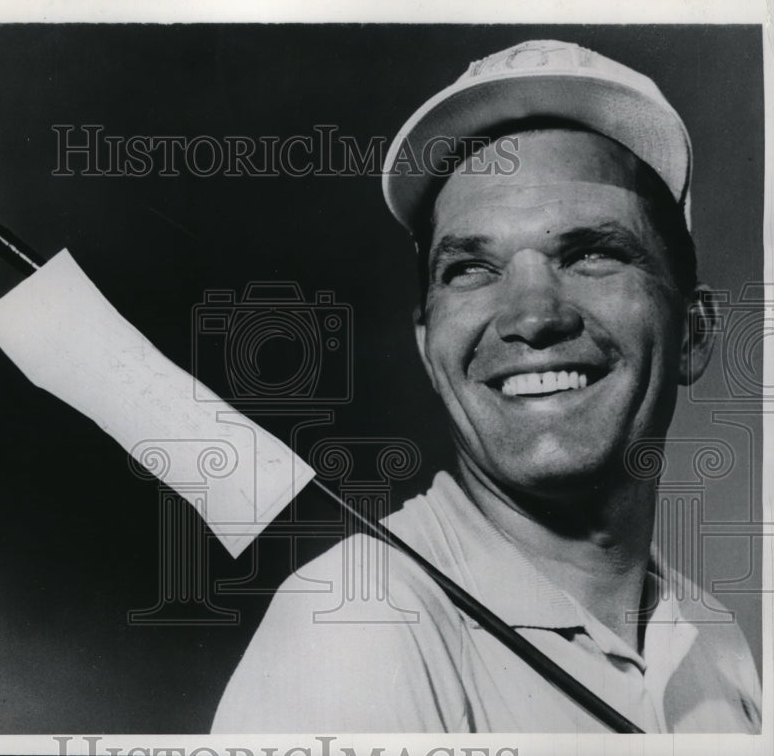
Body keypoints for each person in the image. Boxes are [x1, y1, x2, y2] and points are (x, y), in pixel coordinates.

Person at [210, 40, 762, 733]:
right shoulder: (364, 621)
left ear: (693, 333)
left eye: (591, 253)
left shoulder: (717, 643)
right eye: (471, 268)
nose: (533, 316)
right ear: (429, 347)